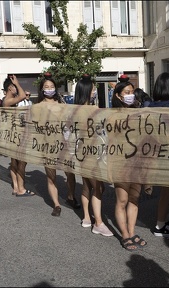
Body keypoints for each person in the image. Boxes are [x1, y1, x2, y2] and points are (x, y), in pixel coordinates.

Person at [74, 74, 113, 236]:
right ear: (87, 91)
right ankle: (98, 222)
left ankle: (86, 217)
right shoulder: (91, 110)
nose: (95, 91)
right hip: (92, 155)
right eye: (93, 88)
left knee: (87, 186)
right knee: (97, 187)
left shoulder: (74, 110)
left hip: (81, 154)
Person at [111, 75, 146, 251]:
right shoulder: (111, 116)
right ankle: (124, 234)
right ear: (118, 95)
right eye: (127, 92)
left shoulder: (139, 113)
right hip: (120, 163)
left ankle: (132, 232)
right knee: (122, 199)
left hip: (137, 162)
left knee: (134, 198)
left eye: (132, 92)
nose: (131, 95)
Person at [37, 73, 79, 216]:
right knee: (51, 176)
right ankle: (56, 204)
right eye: (46, 87)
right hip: (47, 145)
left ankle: (71, 196)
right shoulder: (38, 107)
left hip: (64, 144)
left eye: (52, 86)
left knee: (70, 173)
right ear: (42, 89)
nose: (49, 89)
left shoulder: (62, 104)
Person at [148, 72, 169, 238]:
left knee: (166, 192)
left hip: (153, 155)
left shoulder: (149, 107)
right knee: (167, 192)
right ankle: (160, 225)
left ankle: (165, 218)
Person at [2, 75, 35, 197]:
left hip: (12, 135)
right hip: (16, 137)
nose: (17, 89)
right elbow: (22, 96)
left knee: (14, 162)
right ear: (10, 88)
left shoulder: (7, 101)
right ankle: (21, 188)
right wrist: (17, 83)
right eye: (15, 87)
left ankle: (16, 188)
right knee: (22, 162)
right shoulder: (8, 100)